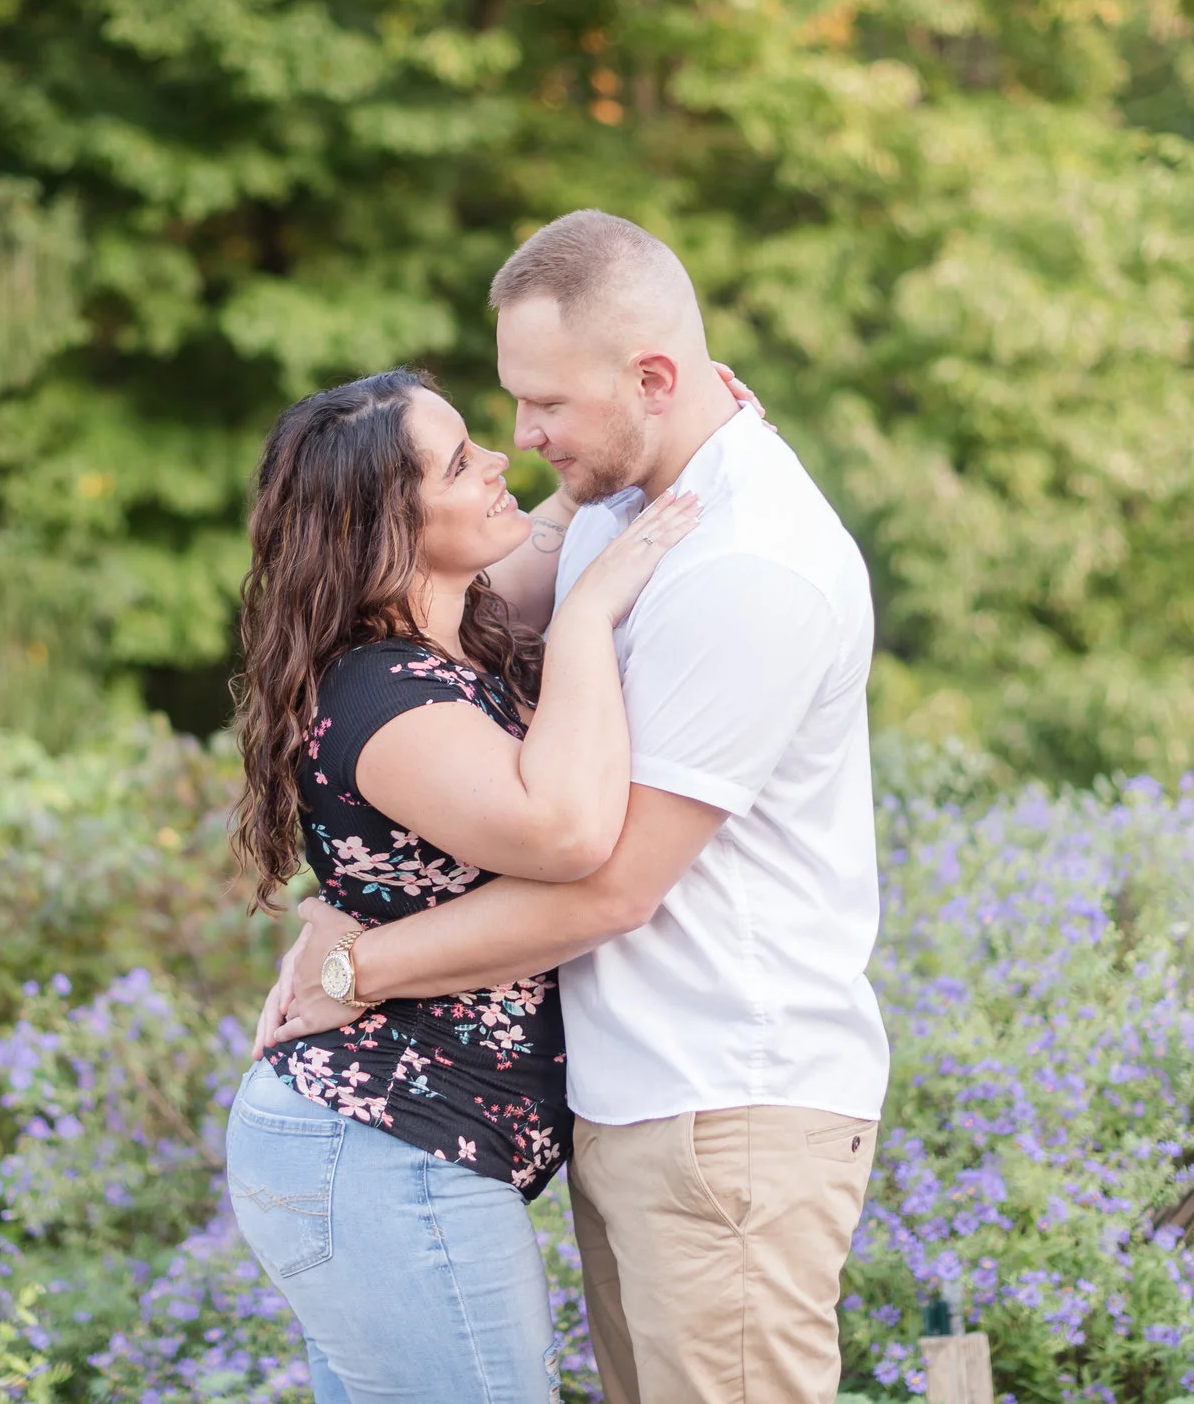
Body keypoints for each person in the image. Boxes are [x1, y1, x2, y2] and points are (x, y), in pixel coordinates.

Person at [258, 210, 893, 1404]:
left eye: (545, 403)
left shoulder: (745, 564)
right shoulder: (622, 502)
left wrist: (354, 966)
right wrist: (335, 911)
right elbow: (414, 633)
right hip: (635, 1099)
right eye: (508, 404)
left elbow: (608, 881)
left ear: (653, 379)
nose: (523, 436)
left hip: (723, 1099)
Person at [222, 365, 703, 1403]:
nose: (496, 459)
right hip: (381, 1145)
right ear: (384, 529)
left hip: (396, 1148)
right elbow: (567, 832)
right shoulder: (385, 696)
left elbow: (548, 525)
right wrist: (588, 615)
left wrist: (669, 419)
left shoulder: (457, 634)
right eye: (456, 463)